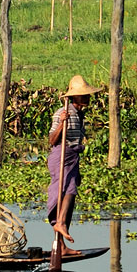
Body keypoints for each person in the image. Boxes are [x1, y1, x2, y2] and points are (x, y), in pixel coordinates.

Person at [46, 74, 97, 259]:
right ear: (75, 97)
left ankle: (61, 246)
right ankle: (60, 222)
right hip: (61, 155)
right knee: (68, 191)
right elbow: (52, 140)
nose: (88, 97)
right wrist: (61, 124)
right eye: (84, 95)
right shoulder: (62, 113)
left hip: (72, 156)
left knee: (70, 196)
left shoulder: (79, 114)